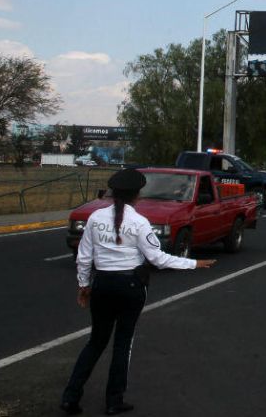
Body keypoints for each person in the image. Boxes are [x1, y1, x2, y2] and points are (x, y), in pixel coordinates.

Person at [60, 168, 216, 416]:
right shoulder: (140, 222)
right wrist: (194, 263)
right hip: (130, 287)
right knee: (123, 343)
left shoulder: (95, 217)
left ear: (111, 193)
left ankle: (70, 397)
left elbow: (84, 256)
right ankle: (114, 400)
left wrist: (83, 285)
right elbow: (158, 258)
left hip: (102, 286)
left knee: (96, 342)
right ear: (138, 195)